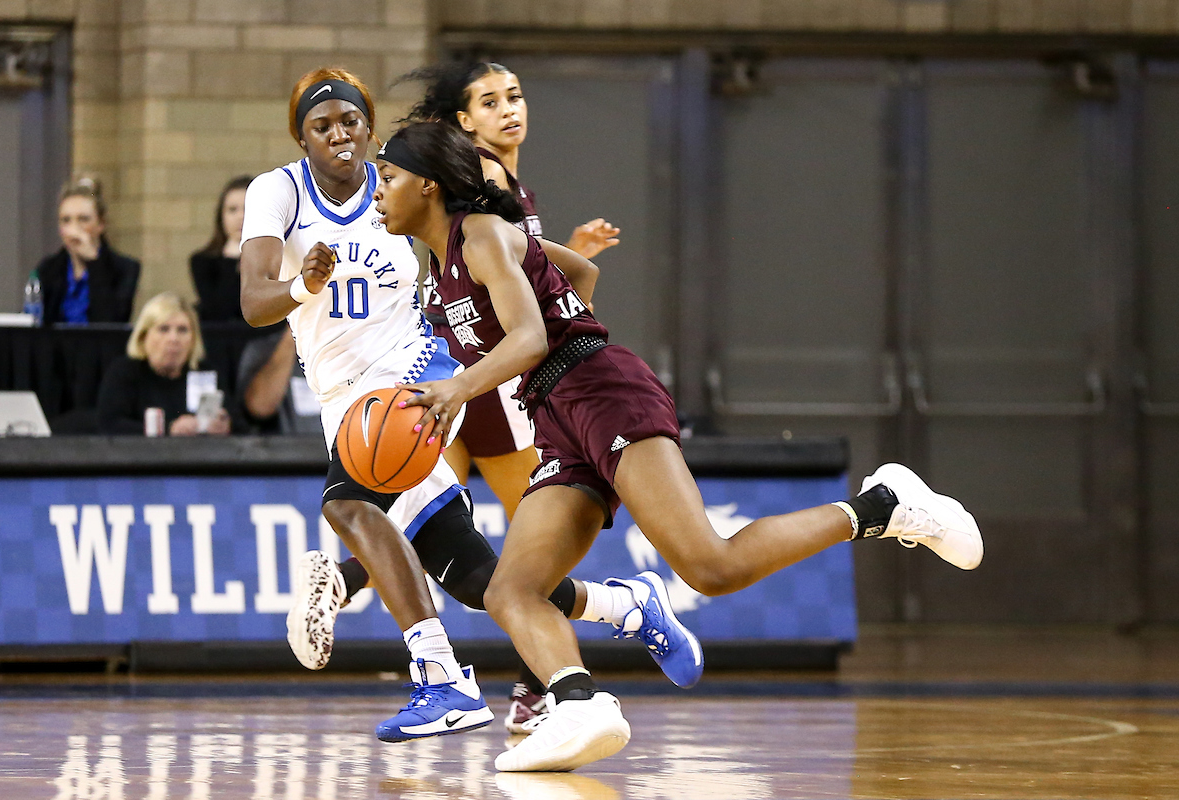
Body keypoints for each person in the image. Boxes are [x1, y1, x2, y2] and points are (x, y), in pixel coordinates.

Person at [374, 121, 984, 772]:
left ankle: (882, 507)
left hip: (601, 387)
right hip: (552, 413)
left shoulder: (484, 235)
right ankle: (580, 706)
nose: (376, 191)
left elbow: (527, 338)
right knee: (510, 590)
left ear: (428, 186)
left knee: (709, 567)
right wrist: (551, 313)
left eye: (387, 178)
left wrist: (468, 383)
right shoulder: (434, 274)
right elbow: (573, 269)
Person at [238, 67, 699, 744]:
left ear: (370, 128)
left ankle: (442, 679)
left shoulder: (412, 193)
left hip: (413, 383)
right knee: (478, 577)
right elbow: (253, 303)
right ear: (300, 136)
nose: (340, 133)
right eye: (322, 124)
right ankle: (623, 605)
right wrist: (304, 286)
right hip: (340, 397)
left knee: (349, 502)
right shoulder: (279, 192)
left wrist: (532, 338)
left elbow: (553, 266)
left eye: (351, 121)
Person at [401, 62, 622, 729]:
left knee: (504, 552)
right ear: (463, 122)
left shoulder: (503, 186)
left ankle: (543, 682)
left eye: (516, 96)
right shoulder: (480, 178)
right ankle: (545, 674)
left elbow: (557, 294)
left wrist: (562, 288)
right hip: (468, 381)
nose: (508, 109)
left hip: (499, 384)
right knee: (435, 528)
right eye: (490, 101)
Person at [96, 292, 240, 435]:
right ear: (143, 336)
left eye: (182, 330)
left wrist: (226, 425)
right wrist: (169, 430)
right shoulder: (125, 372)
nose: (173, 339)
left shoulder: (205, 372)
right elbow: (110, 425)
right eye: (163, 329)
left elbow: (241, 426)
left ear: (193, 339)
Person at [37, 175, 139, 326]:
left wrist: (94, 263)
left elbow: (111, 322)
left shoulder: (124, 269)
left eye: (83, 219)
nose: (74, 229)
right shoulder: (48, 269)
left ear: (101, 224)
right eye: (66, 220)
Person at [191, 175, 253, 323]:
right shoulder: (202, 261)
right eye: (232, 210)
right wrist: (232, 259)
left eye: (248, 208)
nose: (241, 217)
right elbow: (219, 311)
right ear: (221, 216)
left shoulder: (280, 258)